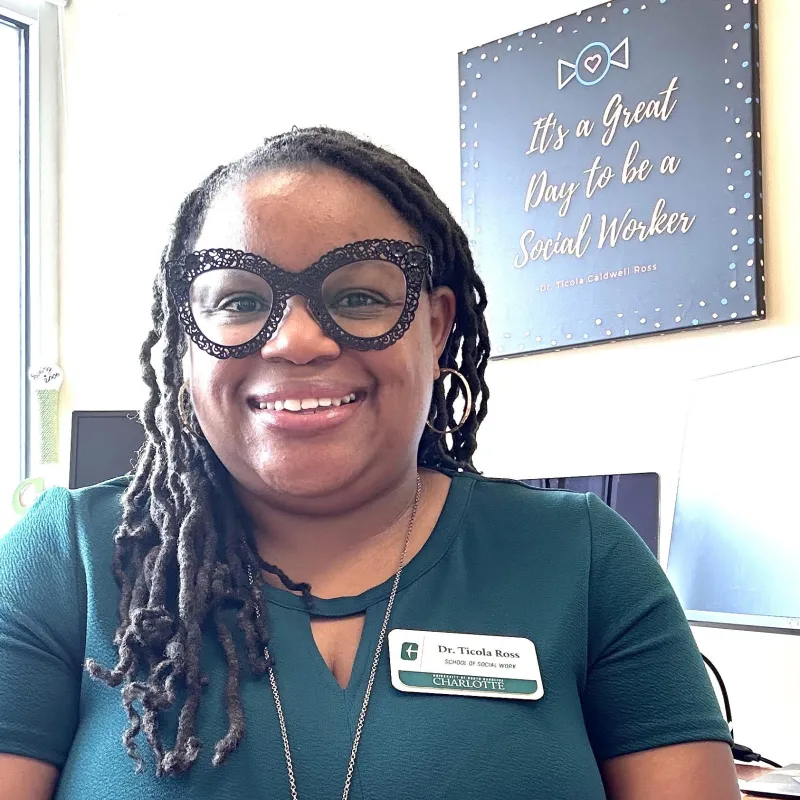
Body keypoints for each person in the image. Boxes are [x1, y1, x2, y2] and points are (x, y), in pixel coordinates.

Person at [0, 128, 739, 800]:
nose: (296, 341)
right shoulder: (65, 559)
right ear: (187, 339)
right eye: (238, 299)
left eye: (357, 295)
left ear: (436, 324)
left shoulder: (585, 559)